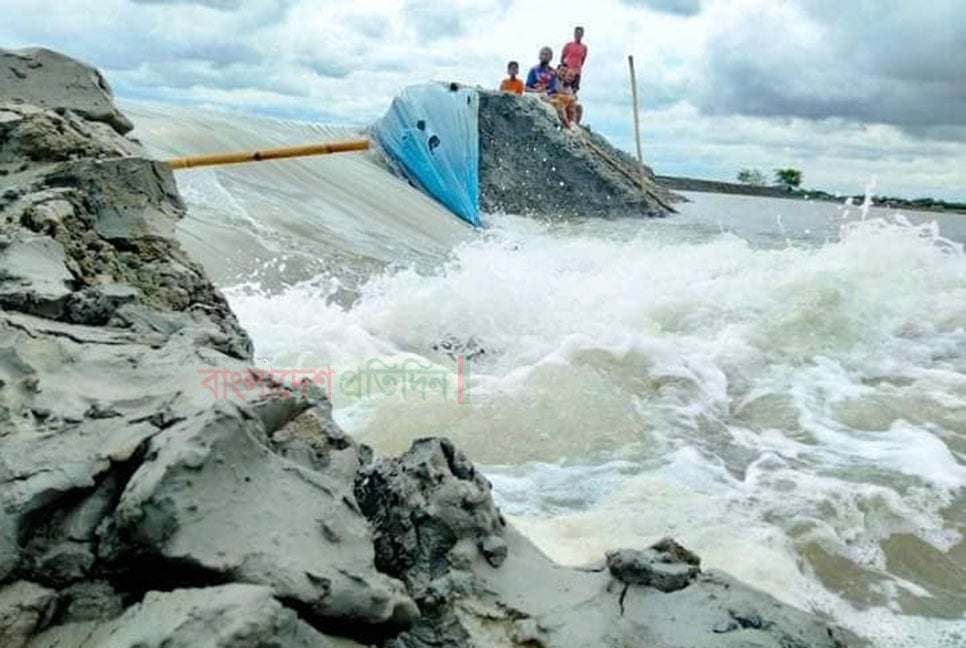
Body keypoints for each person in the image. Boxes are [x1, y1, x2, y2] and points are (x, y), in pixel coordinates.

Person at [560, 26, 588, 93]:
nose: (578, 35)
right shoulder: (568, 45)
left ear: (582, 35)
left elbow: (582, 61)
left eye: (580, 33)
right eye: (577, 33)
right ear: (574, 34)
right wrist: (564, 70)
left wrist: (577, 69)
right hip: (567, 71)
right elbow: (562, 58)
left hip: (577, 73)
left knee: (574, 91)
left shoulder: (584, 47)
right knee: (563, 89)